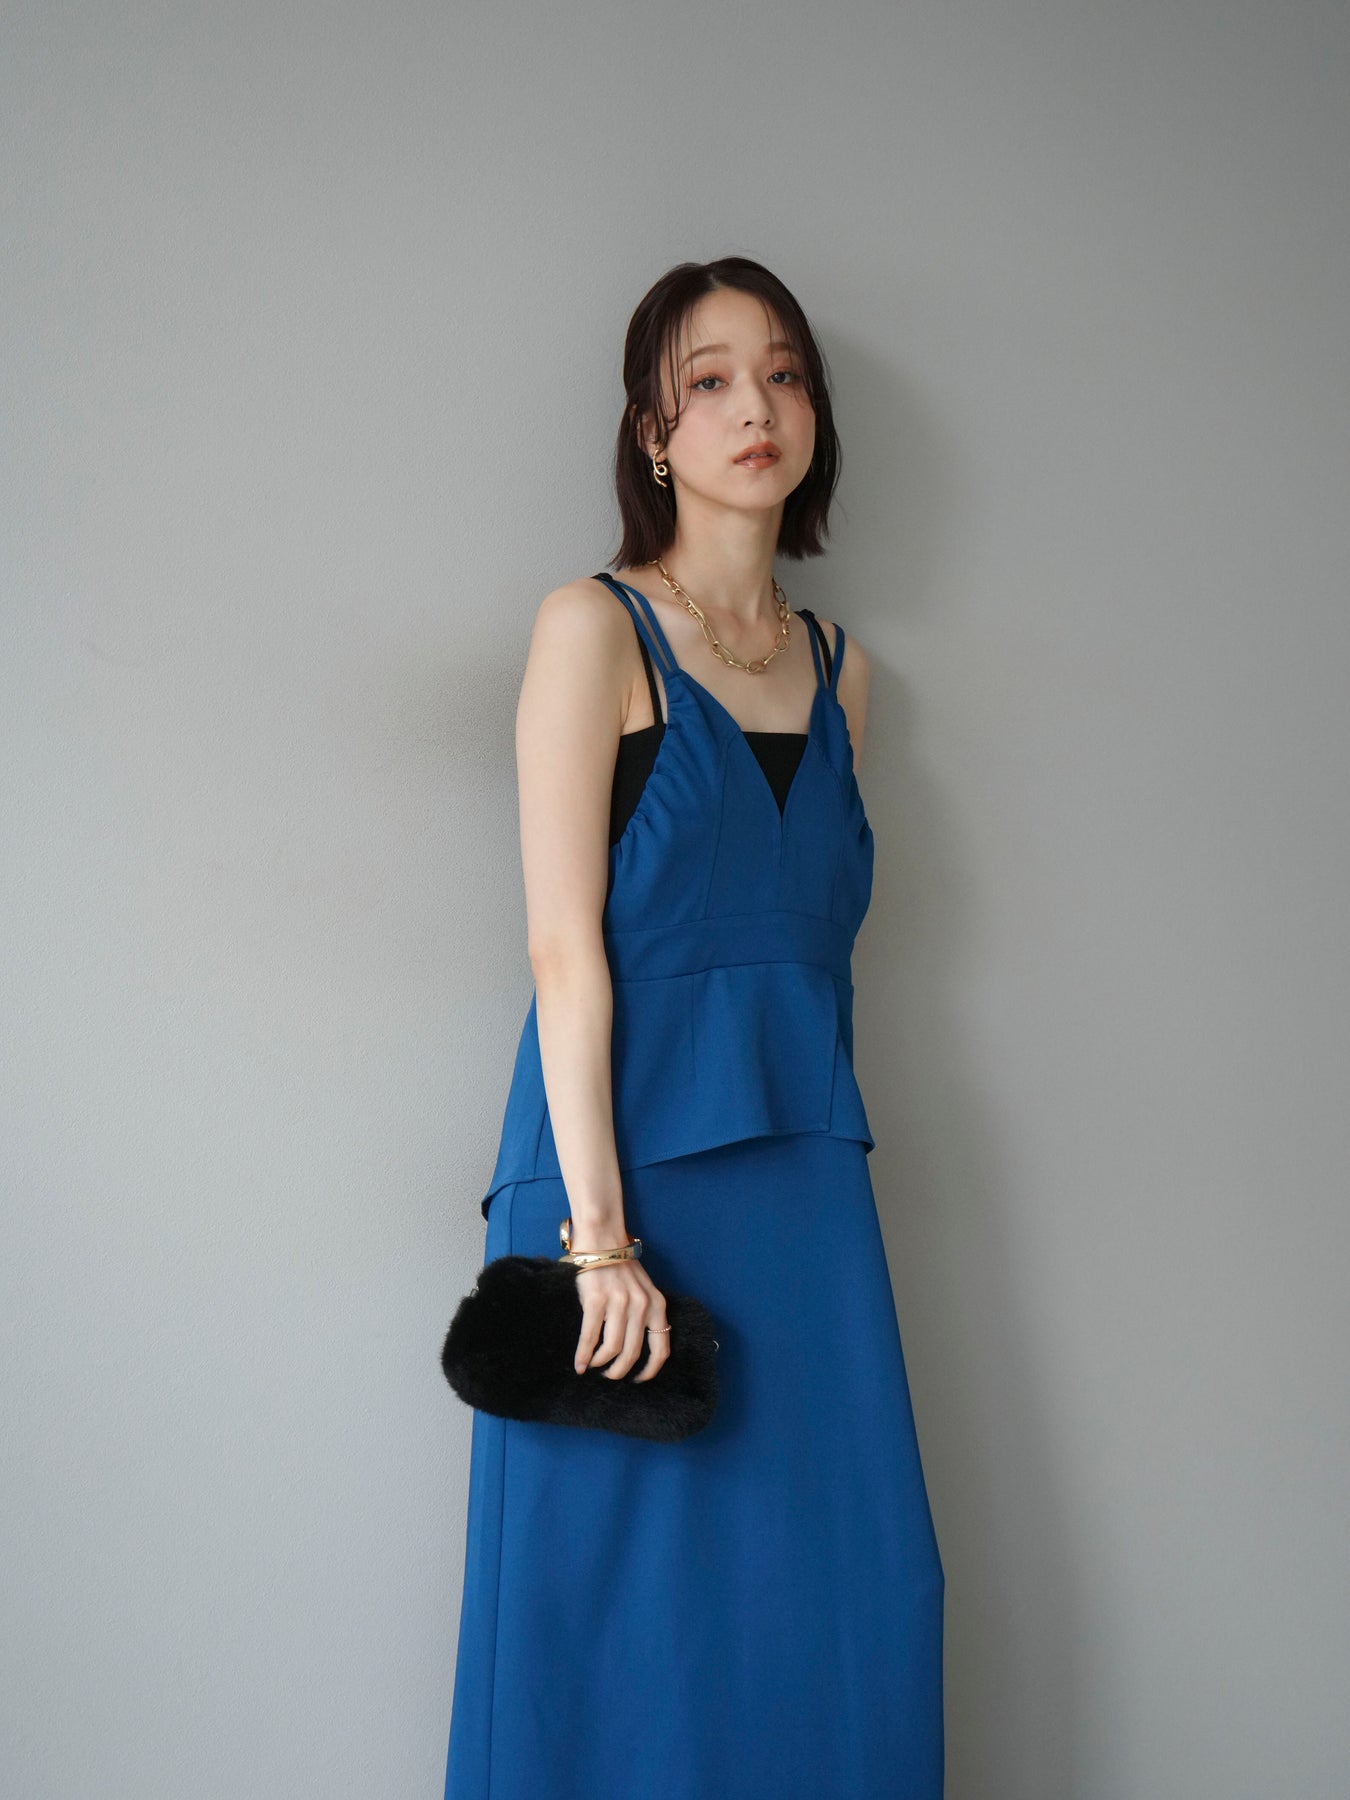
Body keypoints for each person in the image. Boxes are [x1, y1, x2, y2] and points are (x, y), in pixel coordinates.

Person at [443, 256, 944, 1799]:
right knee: (607, 1621)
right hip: (617, 1175)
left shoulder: (843, 675)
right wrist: (598, 1240)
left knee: (849, 1595)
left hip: (802, 1182)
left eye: (783, 374)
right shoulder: (590, 627)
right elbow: (560, 948)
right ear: (652, 432)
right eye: (709, 379)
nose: (754, 405)